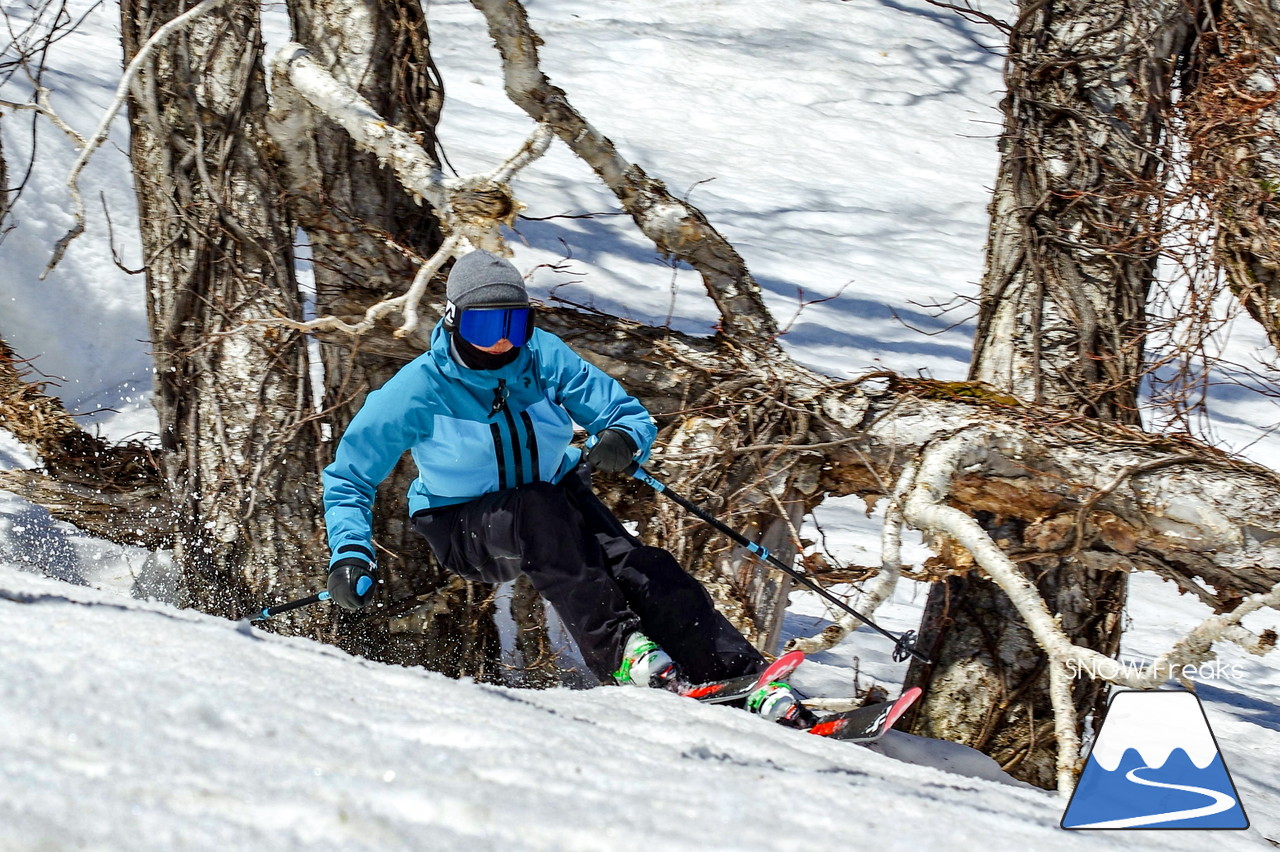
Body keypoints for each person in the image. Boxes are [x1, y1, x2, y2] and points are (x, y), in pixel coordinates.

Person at [322, 249, 811, 725]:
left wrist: (622, 439)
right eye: (485, 326)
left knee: (646, 569)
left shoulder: (543, 358)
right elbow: (350, 476)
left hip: (553, 499)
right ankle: (623, 655)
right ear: (453, 320)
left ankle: (745, 679)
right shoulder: (418, 390)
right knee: (538, 511)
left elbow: (625, 414)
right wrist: (349, 552)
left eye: (514, 325)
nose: (501, 343)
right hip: (462, 524)